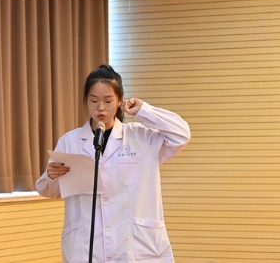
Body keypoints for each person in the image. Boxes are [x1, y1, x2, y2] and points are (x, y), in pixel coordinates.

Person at [36, 65, 190, 263]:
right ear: (86, 101)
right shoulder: (70, 142)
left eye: (108, 101)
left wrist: (144, 111)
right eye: (94, 101)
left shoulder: (140, 137)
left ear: (119, 101)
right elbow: (49, 191)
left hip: (134, 245)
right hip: (87, 246)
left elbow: (181, 134)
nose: (101, 108)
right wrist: (51, 176)